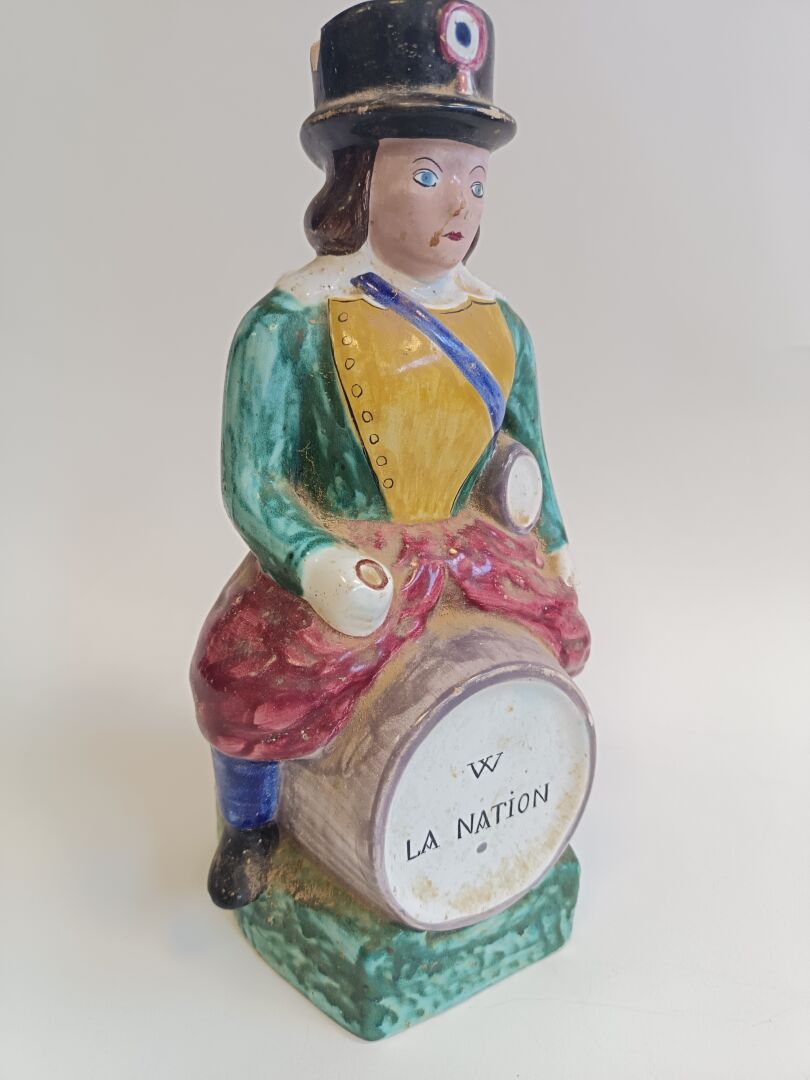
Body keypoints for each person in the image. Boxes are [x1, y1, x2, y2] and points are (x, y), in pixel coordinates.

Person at [191, 0, 590, 909]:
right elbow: (252, 479)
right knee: (240, 675)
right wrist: (312, 556)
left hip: (470, 549)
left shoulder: (501, 324)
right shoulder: (290, 323)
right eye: (427, 173)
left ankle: (509, 808)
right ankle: (252, 824)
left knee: (561, 630)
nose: (461, 204)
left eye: (476, 180)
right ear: (357, 181)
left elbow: (530, 445)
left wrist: (555, 537)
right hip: (355, 557)